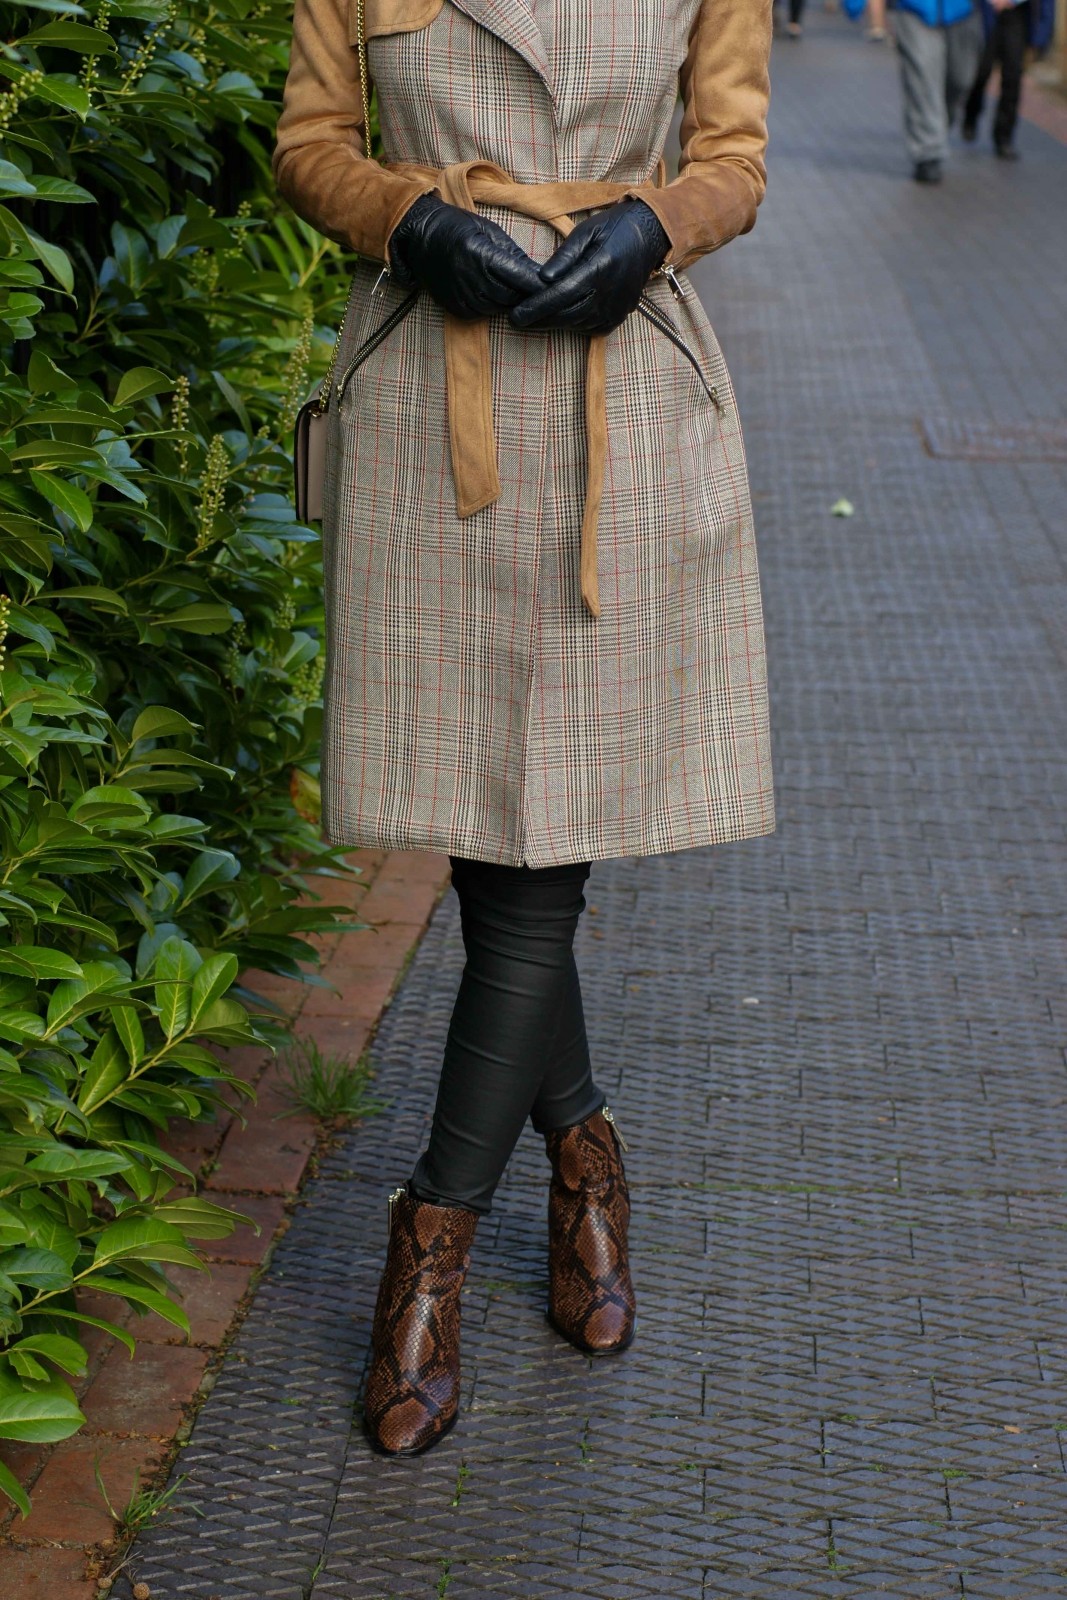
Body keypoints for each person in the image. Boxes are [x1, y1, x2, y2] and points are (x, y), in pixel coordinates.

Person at [273, 0, 775, 1457]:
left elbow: (732, 156)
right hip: (431, 410)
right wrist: (409, 221)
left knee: (535, 856)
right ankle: (585, 1160)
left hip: (620, 409)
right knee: (494, 837)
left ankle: (426, 1254)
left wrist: (652, 229)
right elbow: (309, 142)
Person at [893, 0, 984, 182]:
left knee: (961, 79)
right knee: (922, 79)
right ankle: (927, 153)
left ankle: (939, 124)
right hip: (915, 10)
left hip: (963, 10)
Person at [963, 0, 1056, 160]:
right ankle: (971, 114)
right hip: (986, 14)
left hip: (1018, 16)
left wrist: (1042, 34)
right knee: (981, 71)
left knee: (1012, 78)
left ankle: (1004, 137)